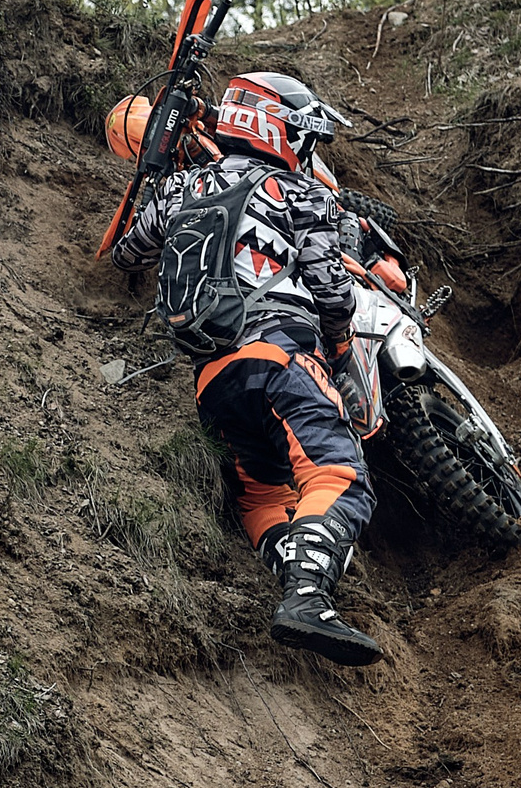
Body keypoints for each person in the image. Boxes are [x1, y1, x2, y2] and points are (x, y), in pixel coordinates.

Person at [111, 71, 383, 666]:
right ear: (277, 128)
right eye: (304, 137)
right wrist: (336, 347)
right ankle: (308, 599)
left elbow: (128, 250)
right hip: (282, 355)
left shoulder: (181, 188)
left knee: (263, 494)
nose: (308, 150)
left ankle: (293, 581)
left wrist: (156, 175)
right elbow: (334, 295)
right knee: (340, 475)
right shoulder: (301, 192)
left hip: (212, 379)